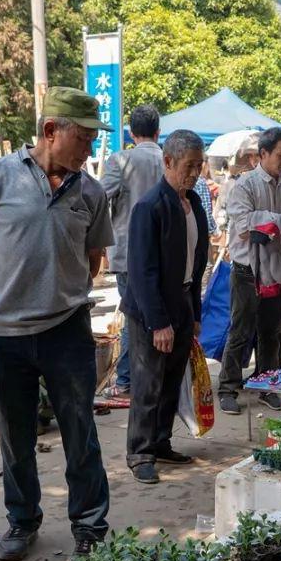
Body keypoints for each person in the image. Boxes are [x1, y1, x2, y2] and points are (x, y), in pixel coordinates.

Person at [0, 87, 113, 561]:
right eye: (85, 137)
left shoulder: (90, 192)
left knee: (80, 429)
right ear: (52, 131)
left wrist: (57, 291)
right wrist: (5, 300)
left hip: (67, 330)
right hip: (4, 336)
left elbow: (94, 261)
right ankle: (22, 521)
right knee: (15, 435)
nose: (90, 148)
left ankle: (90, 524)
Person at [123, 130, 209, 484]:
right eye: (188, 166)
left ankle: (160, 442)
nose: (194, 173)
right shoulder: (150, 206)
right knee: (148, 383)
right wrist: (158, 322)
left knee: (172, 381)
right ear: (168, 162)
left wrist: (195, 314)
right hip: (151, 310)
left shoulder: (194, 204)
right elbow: (142, 271)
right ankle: (140, 451)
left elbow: (196, 262)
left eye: (199, 166)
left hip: (183, 302)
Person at [218, 127, 281, 415]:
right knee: (240, 331)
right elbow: (243, 224)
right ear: (262, 154)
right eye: (280, 155)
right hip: (247, 269)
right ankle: (227, 388)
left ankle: (268, 384)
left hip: (278, 267)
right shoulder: (245, 185)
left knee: (274, 331)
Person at [100, 105, 163, 400]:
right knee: (159, 314)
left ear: (132, 133)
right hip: (165, 252)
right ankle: (155, 377)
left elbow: (99, 200)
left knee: (134, 316)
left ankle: (126, 380)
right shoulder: (170, 159)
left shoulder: (121, 161)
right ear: (157, 131)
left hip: (128, 252)